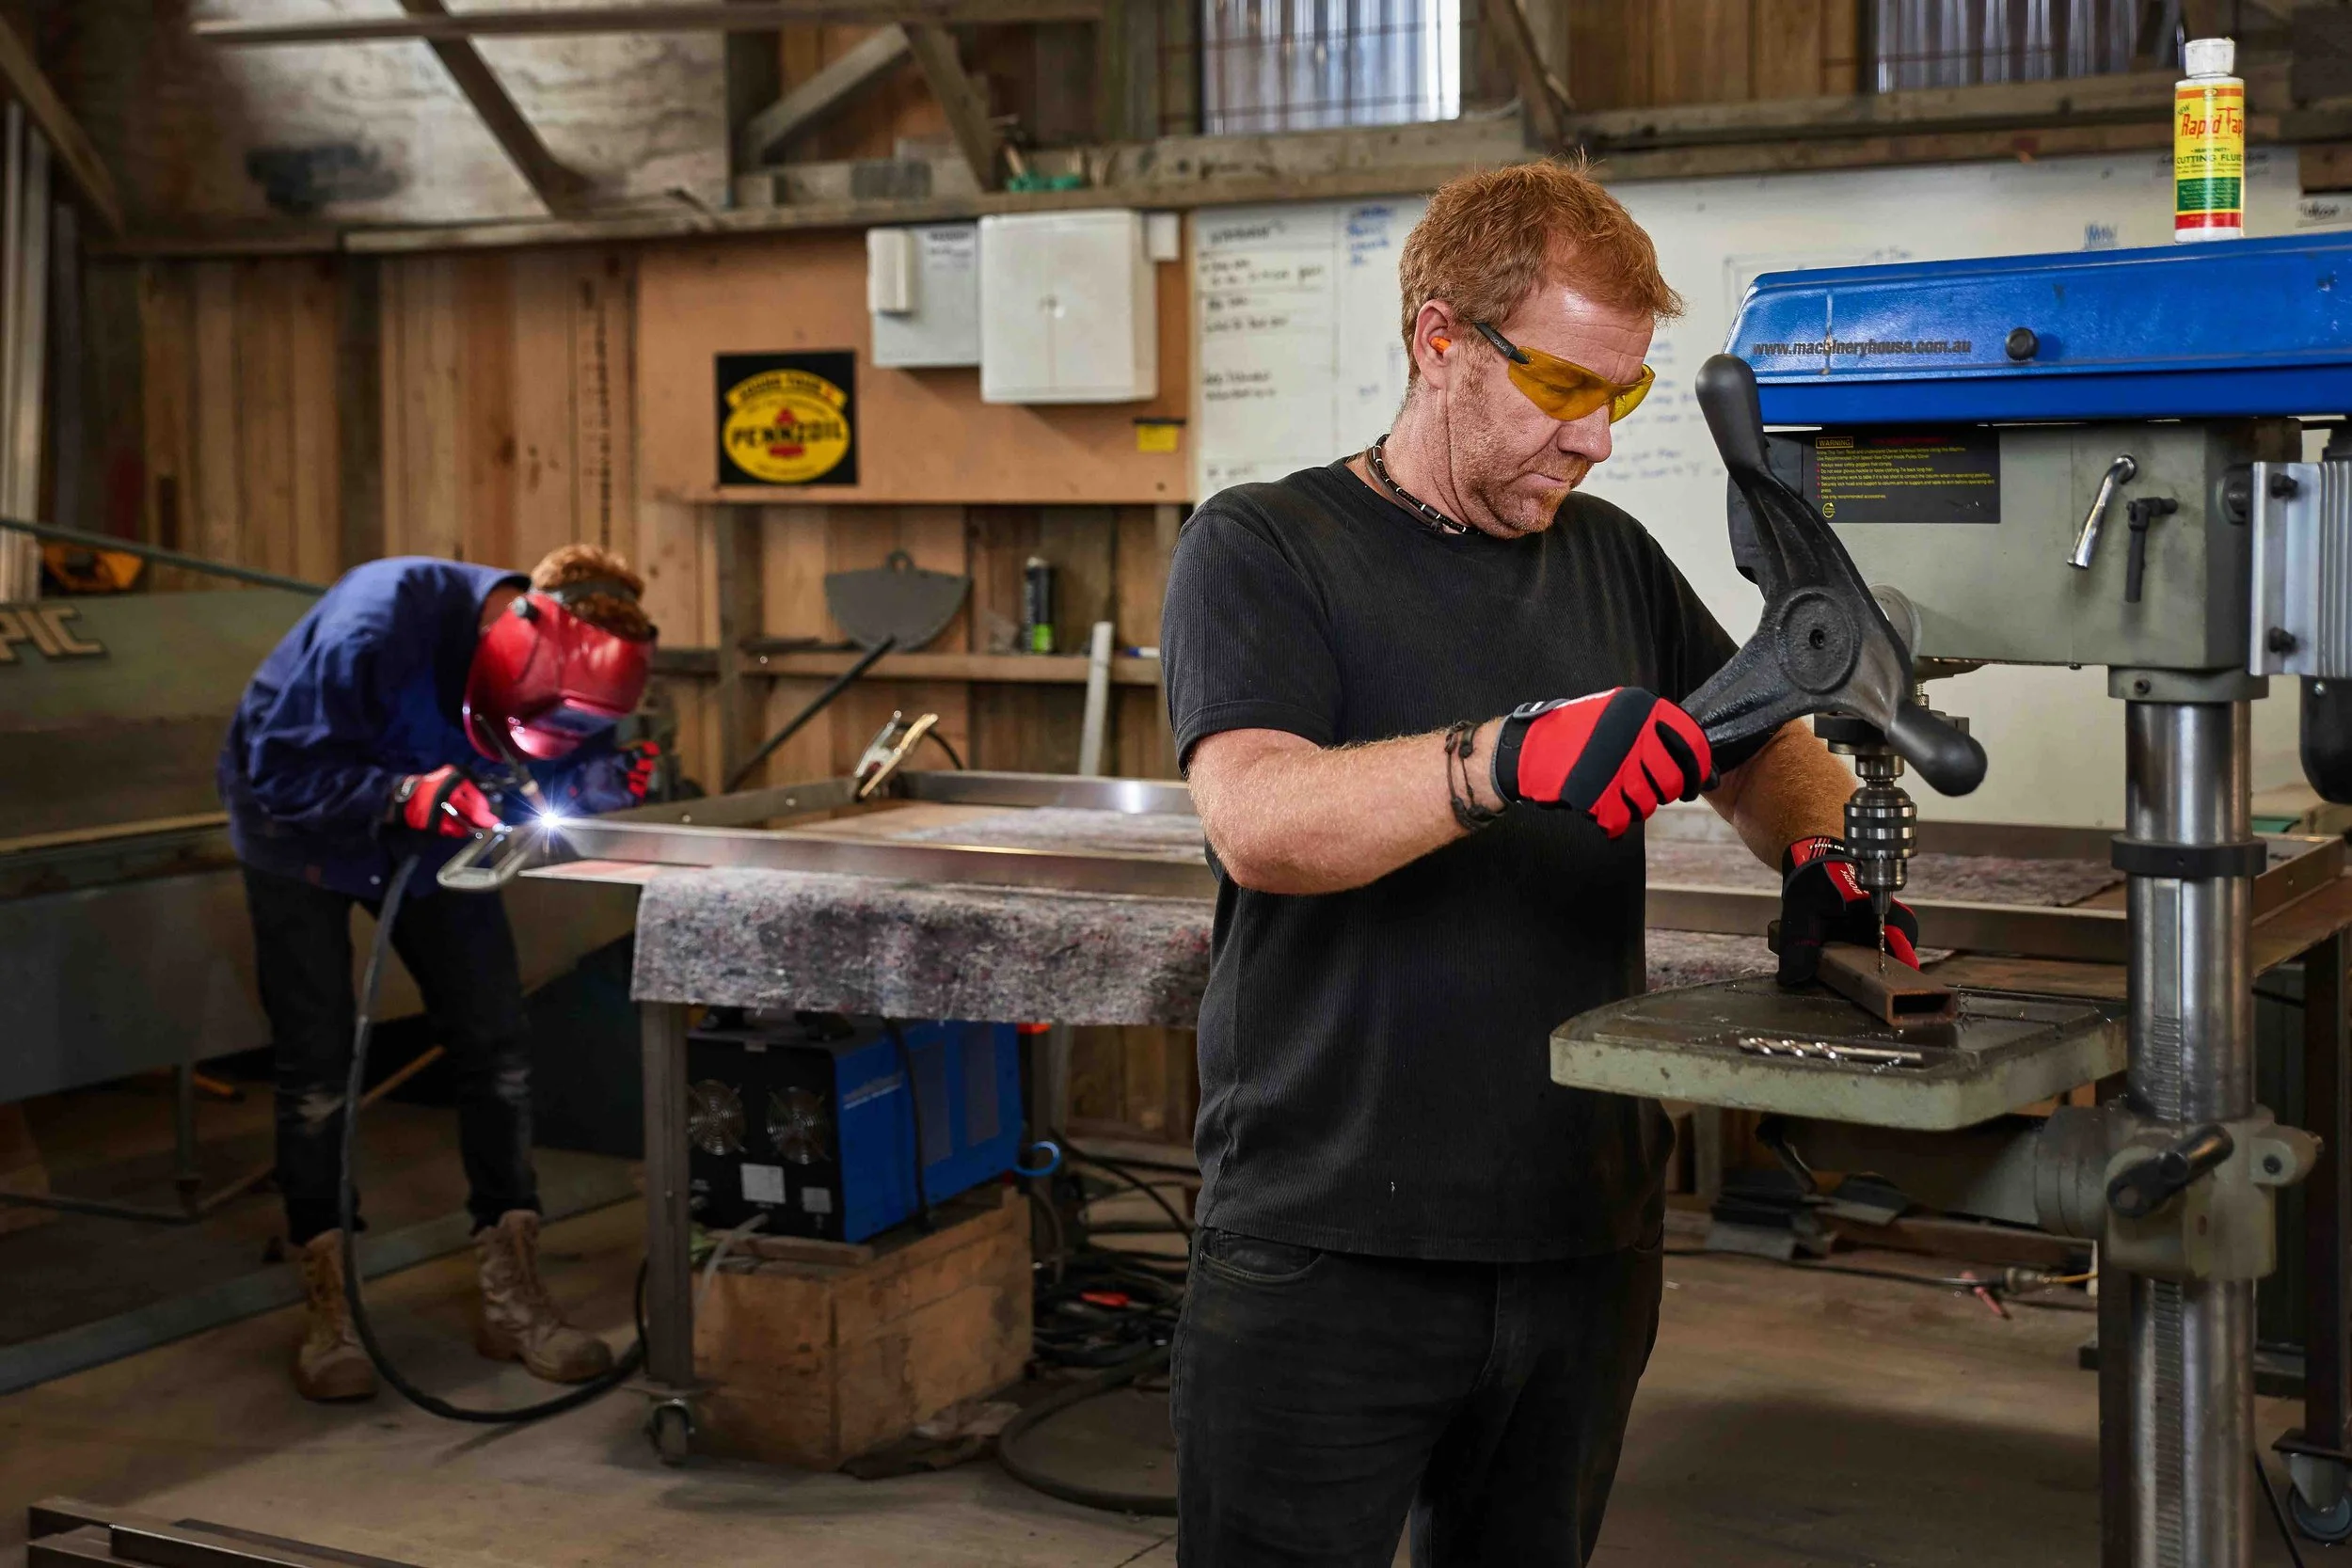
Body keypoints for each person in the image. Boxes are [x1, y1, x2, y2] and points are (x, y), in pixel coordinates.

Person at [1159, 162, 1920, 1565]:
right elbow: (1257, 819)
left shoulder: (1612, 559)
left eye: (1621, 396)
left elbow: (1756, 742)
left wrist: (1818, 848)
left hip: (1582, 1233)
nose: (1598, 444)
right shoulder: (1266, 545)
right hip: (1330, 1248)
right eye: (1568, 389)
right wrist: (1497, 759)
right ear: (1440, 341)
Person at [219, 544, 662, 1402]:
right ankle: (331, 1305)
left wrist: (601, 781)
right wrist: (394, 797)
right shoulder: (377, 620)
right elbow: (282, 769)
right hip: (298, 830)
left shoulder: (585, 649)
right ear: (504, 644)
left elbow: (566, 755)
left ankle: (512, 1296)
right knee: (317, 1070)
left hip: (444, 829)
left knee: (496, 1047)